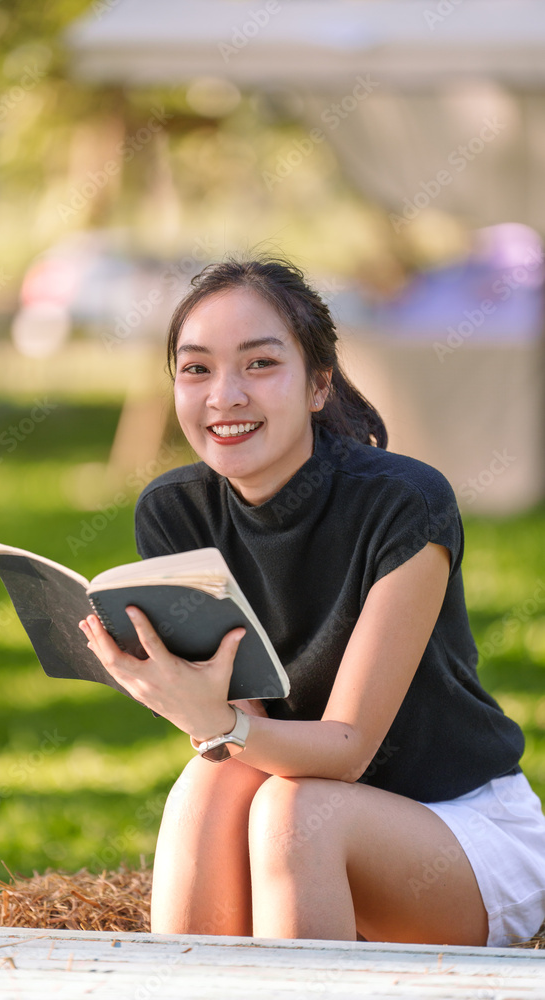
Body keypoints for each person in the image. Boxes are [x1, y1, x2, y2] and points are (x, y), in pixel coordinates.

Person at [79, 255, 545, 947]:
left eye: (259, 365)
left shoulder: (404, 503)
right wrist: (198, 706)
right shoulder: (174, 513)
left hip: (457, 828)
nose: (224, 395)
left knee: (295, 812)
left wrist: (213, 722)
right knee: (210, 788)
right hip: (297, 802)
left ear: (318, 384)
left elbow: (347, 750)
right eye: (196, 368)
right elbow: (243, 722)